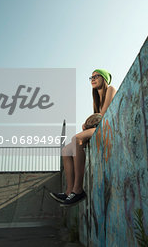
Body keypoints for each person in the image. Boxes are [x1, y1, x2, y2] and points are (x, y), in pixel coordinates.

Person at [49, 69, 116, 206]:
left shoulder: (110, 89)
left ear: (104, 78)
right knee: (66, 151)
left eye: (96, 76)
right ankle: (69, 192)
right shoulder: (96, 99)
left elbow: (102, 117)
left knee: (76, 139)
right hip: (99, 128)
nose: (92, 79)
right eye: (91, 77)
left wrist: (88, 123)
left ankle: (78, 190)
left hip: (108, 127)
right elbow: (96, 119)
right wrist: (87, 124)